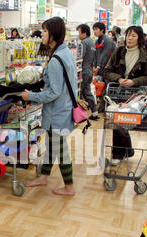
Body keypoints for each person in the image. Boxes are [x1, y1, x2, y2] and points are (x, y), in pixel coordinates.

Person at [18, 17, 76, 196]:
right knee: (52, 145)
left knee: (60, 148)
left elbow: (53, 92)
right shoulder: (64, 53)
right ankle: (43, 176)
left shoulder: (56, 60)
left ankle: (69, 187)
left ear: (53, 34)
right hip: (62, 108)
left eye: (44, 31)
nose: (41, 34)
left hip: (58, 112)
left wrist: (31, 96)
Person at [104, 25, 147, 165]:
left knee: (125, 124)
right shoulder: (118, 51)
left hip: (135, 96)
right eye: (128, 35)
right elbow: (107, 71)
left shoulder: (144, 55)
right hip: (118, 93)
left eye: (133, 35)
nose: (129, 38)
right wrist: (119, 79)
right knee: (117, 123)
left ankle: (124, 151)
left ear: (139, 38)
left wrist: (134, 81)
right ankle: (118, 153)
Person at [77, 24, 98, 120]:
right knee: (87, 92)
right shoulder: (92, 42)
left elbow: (80, 57)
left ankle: (78, 115)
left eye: (79, 32)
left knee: (79, 93)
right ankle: (95, 113)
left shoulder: (83, 43)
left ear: (84, 33)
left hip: (83, 71)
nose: (78, 35)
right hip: (89, 70)